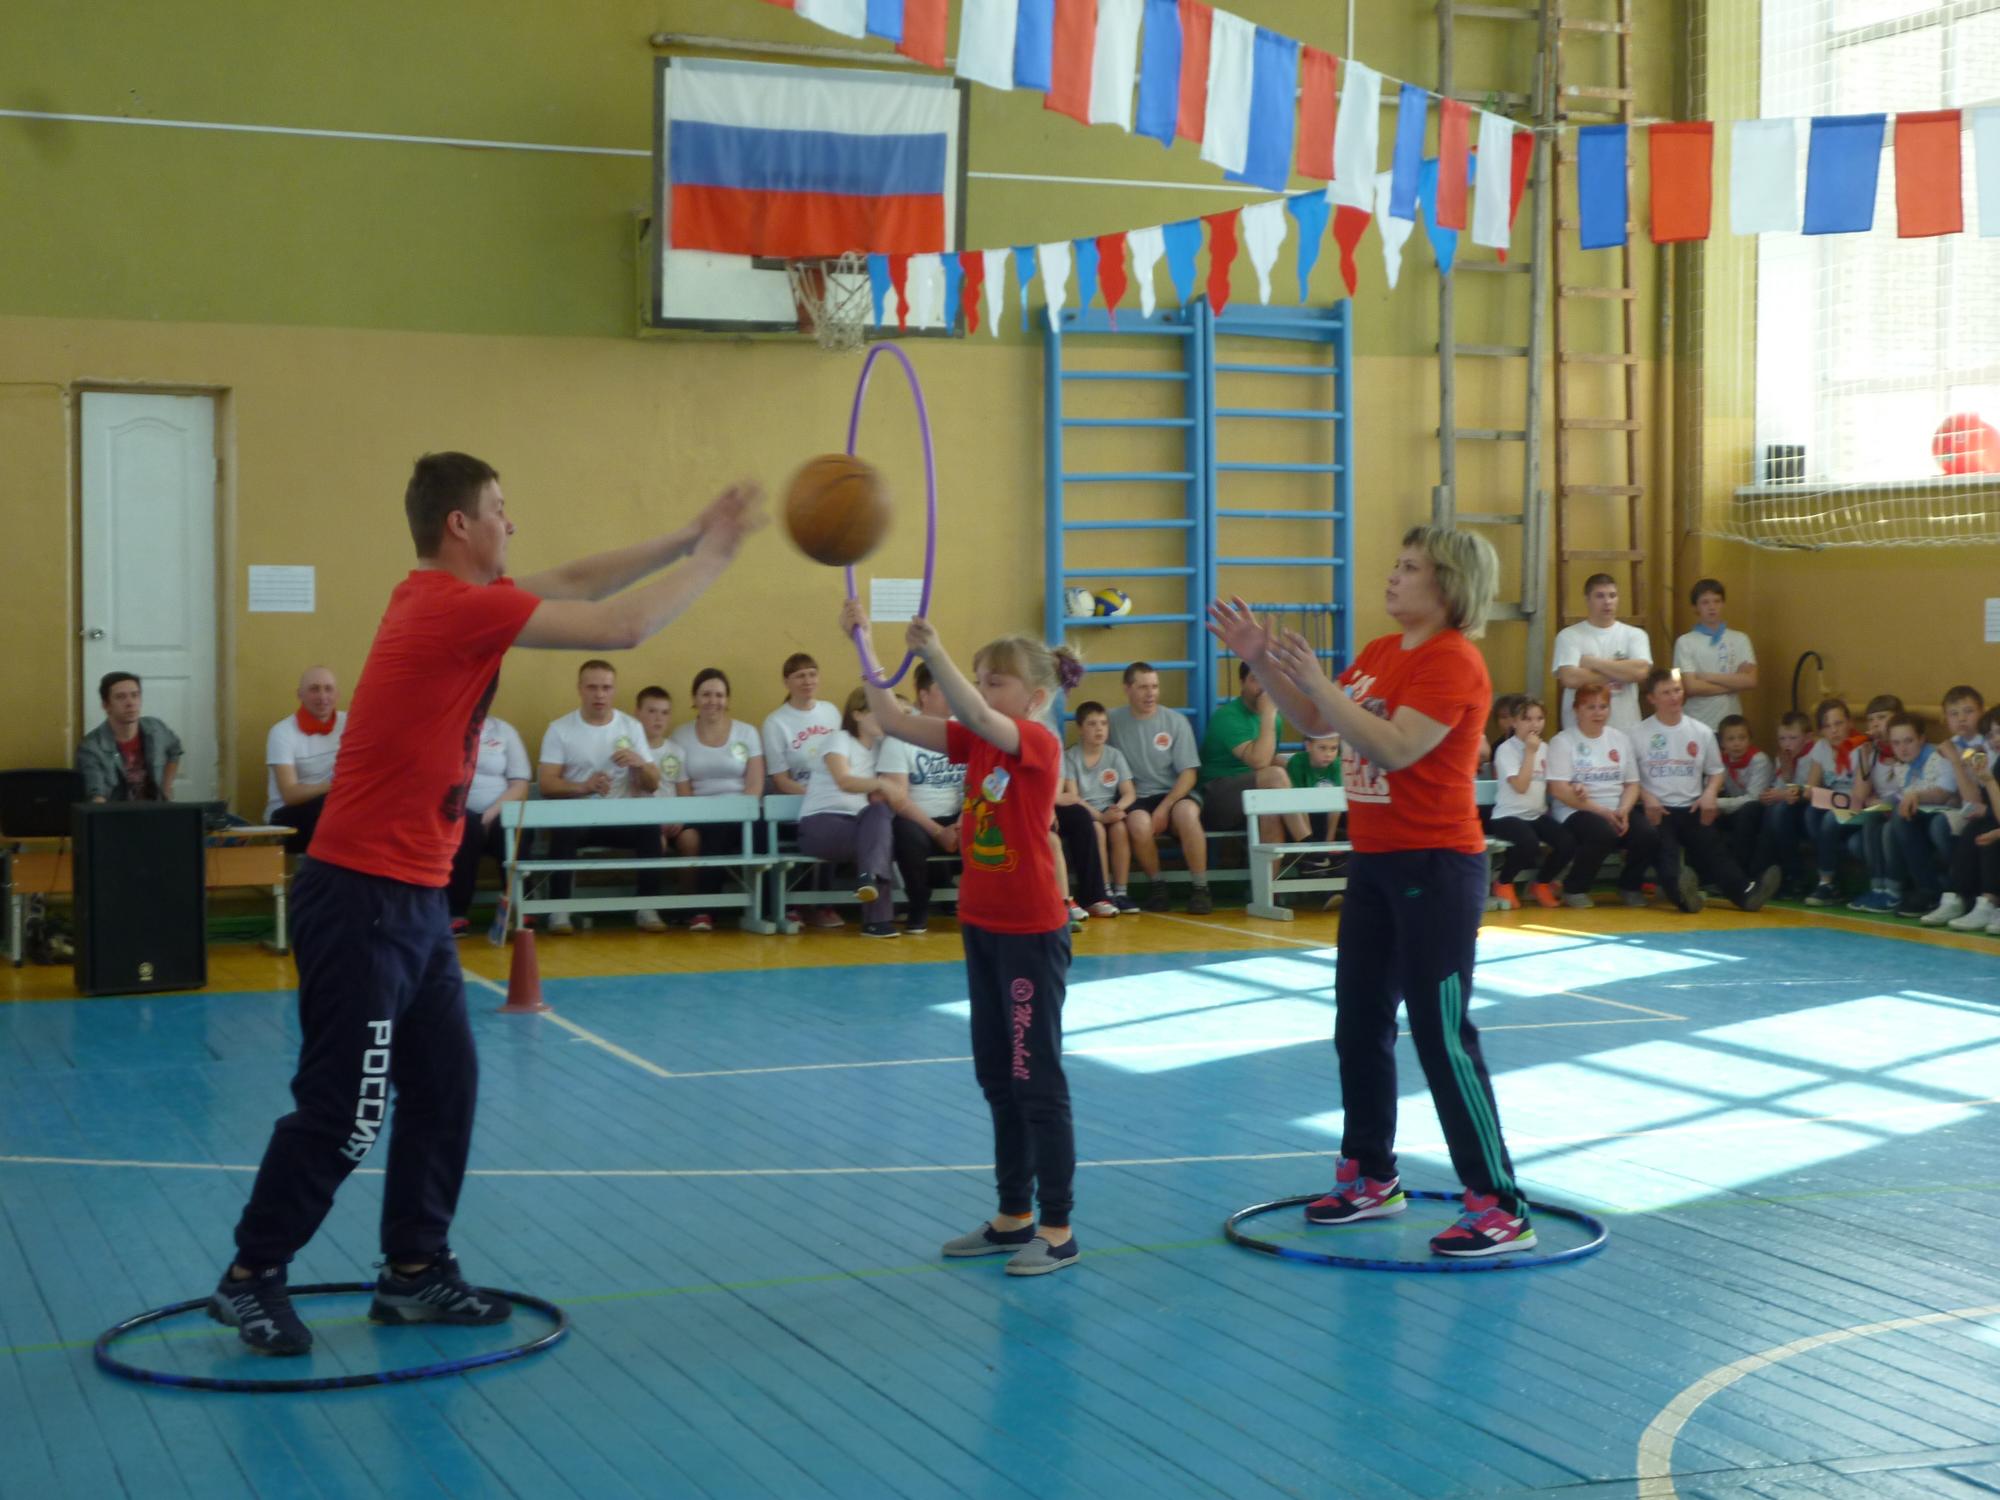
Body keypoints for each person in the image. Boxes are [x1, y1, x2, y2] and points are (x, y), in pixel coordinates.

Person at [213, 449, 761, 1355]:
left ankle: (414, 1268)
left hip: (415, 900)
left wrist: (687, 534)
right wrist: (719, 555)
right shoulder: (449, 606)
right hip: (361, 898)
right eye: (501, 508)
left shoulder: (458, 602)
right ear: (459, 525)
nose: (514, 522)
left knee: (445, 1087)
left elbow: (578, 580)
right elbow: (621, 624)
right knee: (346, 1109)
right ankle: (250, 1276)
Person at [1209, 525, 1537, 1258]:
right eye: (1396, 562)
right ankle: (1370, 1174)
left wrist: (1320, 682)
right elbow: (1316, 721)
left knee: (1441, 1034)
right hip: (1377, 863)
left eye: (1410, 566)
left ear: (1448, 584)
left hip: (1436, 868)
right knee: (1359, 1022)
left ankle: (1498, 1203)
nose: (1393, 575)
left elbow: (1394, 746)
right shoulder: (1382, 651)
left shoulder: (1454, 661)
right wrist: (1260, 659)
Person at [845, 597, 1084, 1276]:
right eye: (979, 679)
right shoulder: (976, 740)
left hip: (1030, 933)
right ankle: (1013, 1216)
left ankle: (1059, 1227)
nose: (981, 692)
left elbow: (976, 714)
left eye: (994, 681)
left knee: (1037, 1079)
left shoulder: (1037, 742)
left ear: (1035, 697)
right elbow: (893, 719)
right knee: (997, 1076)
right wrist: (864, 644)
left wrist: (934, 651)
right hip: (982, 926)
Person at [1632, 668, 1781, 914]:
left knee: (1714, 849)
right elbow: (1629, 778)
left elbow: (1716, 771)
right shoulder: (1637, 734)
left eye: (1677, 690)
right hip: (1658, 809)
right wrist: (1646, 798)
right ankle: (1683, 895)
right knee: (1666, 853)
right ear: (1651, 698)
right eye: (1666, 692)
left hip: (1691, 807)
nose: (1674, 697)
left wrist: (1710, 794)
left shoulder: (1701, 732)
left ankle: (1747, 894)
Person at [537, 660, 664, 933]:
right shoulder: (560, 729)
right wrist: (584, 787)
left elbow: (653, 784)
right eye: (592, 687)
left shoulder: (631, 727)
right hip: (578, 819)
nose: (599, 695)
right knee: (563, 832)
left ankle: (647, 906)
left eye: (606, 688)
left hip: (620, 818)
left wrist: (641, 764)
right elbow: (546, 783)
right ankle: (559, 910)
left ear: (614, 690)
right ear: (580, 689)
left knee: (650, 830)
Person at [791, 685, 898, 938]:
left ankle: (867, 878)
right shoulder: (839, 739)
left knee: (879, 816)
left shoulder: (881, 748)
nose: (883, 718)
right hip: (821, 824)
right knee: (878, 840)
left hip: (859, 825)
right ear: (857, 714)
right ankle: (877, 919)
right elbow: (844, 781)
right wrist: (882, 784)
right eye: (875, 711)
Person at [667, 668, 767, 933]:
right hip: (699, 813)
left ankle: (769, 908)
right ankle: (704, 910)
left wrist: (738, 810)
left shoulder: (747, 733)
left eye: (719, 695)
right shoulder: (680, 735)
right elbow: (683, 787)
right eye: (706, 694)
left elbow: (755, 785)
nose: (713, 701)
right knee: (713, 834)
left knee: (764, 835)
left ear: (727, 699)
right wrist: (705, 812)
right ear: (694, 698)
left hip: (743, 811)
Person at [1105, 663, 1209, 913]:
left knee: (1187, 814)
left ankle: (1201, 888)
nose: (1150, 693)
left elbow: (1189, 774)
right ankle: (1158, 886)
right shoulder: (1112, 722)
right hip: (1137, 796)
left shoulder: (1175, 721)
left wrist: (1165, 807)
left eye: (1155, 686)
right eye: (1143, 687)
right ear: (1127, 689)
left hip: (1174, 793)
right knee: (1137, 823)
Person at [1198, 662, 1312, 887]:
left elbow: (1269, 758)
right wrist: (1268, 713)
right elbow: (1259, 761)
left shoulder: (1274, 720)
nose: (1263, 687)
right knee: (1276, 777)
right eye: (1255, 679)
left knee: (1270, 807)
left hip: (1252, 792)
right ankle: (1308, 850)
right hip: (1216, 797)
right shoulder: (1227, 716)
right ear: (1242, 683)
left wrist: (1299, 767)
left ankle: (1266, 889)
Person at [1545, 683, 1659, 908]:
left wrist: (1624, 810)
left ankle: (1630, 886)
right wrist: (1602, 812)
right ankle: (1574, 888)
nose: (1598, 713)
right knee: (1602, 833)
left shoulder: (1620, 739)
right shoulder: (1563, 741)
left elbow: (1632, 784)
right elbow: (1558, 790)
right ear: (1577, 709)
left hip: (1615, 808)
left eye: (1603, 707)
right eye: (1591, 707)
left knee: (1648, 835)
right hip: (1576, 810)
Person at [876, 663, 965, 935]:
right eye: (942, 689)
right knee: (905, 833)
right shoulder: (901, 737)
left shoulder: (966, 730)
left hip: (960, 814)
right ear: (924, 695)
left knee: (986, 827)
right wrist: (938, 831)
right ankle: (918, 903)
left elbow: (979, 786)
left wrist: (962, 822)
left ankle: (982, 904)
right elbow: (898, 798)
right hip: (919, 819)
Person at [761, 652, 843, 928]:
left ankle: (825, 904)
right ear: (787, 682)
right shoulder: (776, 723)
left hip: (830, 800)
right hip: (796, 803)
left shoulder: (831, 713)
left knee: (839, 824)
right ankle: (797, 904)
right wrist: (814, 798)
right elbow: (780, 780)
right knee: (822, 826)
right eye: (799, 676)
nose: (807, 681)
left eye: (812, 674)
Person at [446, 713, 530, 931]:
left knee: (513, 828)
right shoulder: (444, 728)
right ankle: (456, 912)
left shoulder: (504, 731)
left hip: (498, 812)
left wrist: (491, 814)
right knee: (469, 828)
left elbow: (519, 784)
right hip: (455, 815)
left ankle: (519, 907)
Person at [1487, 697, 1572, 911]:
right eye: (1527, 719)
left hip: (1535, 814)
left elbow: (1553, 781)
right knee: (1529, 843)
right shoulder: (1506, 750)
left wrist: (1575, 786)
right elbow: (1521, 786)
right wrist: (1529, 753)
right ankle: (1503, 882)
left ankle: (1541, 883)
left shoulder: (1545, 748)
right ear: (1514, 722)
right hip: (1507, 816)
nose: (1534, 724)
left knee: (1567, 842)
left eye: (1539, 718)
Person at [1876, 714, 1960, 916]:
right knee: (1887, 821)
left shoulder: (1938, 757)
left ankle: (1930, 889)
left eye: (1908, 741)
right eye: (1896, 743)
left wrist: (1916, 796)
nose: (1903, 748)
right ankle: (1895, 888)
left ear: (1921, 739)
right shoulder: (1900, 766)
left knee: (1904, 819)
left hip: (1946, 814)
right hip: (1922, 815)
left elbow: (1945, 794)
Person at [1925, 708, 2000, 932]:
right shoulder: (1992, 760)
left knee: (1990, 832)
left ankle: (1990, 901)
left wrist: (1988, 782)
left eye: (1999, 732)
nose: (1995, 739)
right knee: (1975, 828)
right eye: (1991, 735)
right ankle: (1958, 897)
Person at [1551, 574, 1653, 735]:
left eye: (1612, 595)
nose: (1607, 602)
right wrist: (1621, 671)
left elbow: (1640, 672)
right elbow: (1570, 678)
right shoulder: (1569, 636)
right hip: (1580, 732)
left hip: (1625, 729)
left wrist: (1592, 663)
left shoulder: (1635, 635)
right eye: (1600, 596)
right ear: (1587, 599)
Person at [1061, 702, 1137, 911]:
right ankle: (1103, 891)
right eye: (1092, 724)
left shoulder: (1115, 755)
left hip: (1109, 810)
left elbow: (1129, 792)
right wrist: (1100, 817)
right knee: (1097, 831)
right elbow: (1074, 797)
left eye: (1103, 723)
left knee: (1120, 829)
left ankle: (1121, 891)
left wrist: (1118, 809)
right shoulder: (1070, 757)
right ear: (1080, 728)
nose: (1099, 729)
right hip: (1087, 812)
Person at [1801, 698, 1876, 907]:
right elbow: (1809, 789)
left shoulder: (1861, 747)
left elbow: (1859, 796)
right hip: (1834, 803)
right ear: (1821, 731)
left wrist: (1829, 799)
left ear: (1849, 723)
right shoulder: (1821, 747)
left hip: (1857, 808)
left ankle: (1826, 882)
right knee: (1810, 813)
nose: (1834, 731)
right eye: (1827, 726)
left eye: (1839, 723)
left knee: (1829, 819)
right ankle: (1832, 869)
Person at [264, 666, 346, 845]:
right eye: (314, 689)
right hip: (287, 816)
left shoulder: (350, 723)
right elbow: (290, 794)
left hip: (334, 806)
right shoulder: (282, 732)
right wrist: (336, 786)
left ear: (337, 694)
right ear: (300, 694)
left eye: (328, 689)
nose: (323, 697)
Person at [635, 685, 699, 910]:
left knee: (691, 839)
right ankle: (651, 904)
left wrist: (680, 818)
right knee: (656, 841)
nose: (658, 718)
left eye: (664, 712)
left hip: (673, 821)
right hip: (645, 821)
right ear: (638, 714)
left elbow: (684, 793)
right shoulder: (632, 751)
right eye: (652, 711)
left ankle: (686, 902)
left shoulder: (676, 751)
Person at [77, 672, 183, 803]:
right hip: (116, 812)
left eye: (135, 695)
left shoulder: (156, 728)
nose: (130, 703)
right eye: (120, 697)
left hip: (156, 809)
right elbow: (96, 794)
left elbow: (174, 750)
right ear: (106, 705)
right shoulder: (91, 747)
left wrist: (166, 789)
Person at [1671, 580, 1758, 733]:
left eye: (1717, 601)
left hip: (1731, 725)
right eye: (1705, 602)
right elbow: (1691, 687)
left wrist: (1706, 676)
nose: (1712, 607)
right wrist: (1734, 683)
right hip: (1697, 723)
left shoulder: (1740, 639)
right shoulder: (1685, 642)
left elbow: (1750, 681)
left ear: (1723, 604)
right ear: (1695, 607)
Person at [1755, 710, 1815, 897]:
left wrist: (1781, 793)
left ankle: (1795, 876)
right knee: (1768, 810)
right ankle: (1765, 874)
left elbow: (1808, 791)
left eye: (1793, 738)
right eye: (1782, 739)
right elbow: (1781, 786)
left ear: (1807, 737)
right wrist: (1772, 792)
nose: (1787, 744)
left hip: (1810, 807)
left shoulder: (1815, 755)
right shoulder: (1783, 757)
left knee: (1779, 811)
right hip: (1790, 805)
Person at [1714, 713, 1773, 877]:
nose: (1737, 743)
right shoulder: (1721, 761)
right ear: (1722, 743)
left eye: (1742, 738)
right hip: (1735, 807)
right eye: (1731, 739)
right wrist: (1712, 802)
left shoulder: (1759, 760)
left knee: (1748, 810)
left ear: (1750, 739)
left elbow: (1753, 798)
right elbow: (1710, 789)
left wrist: (1718, 803)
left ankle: (1740, 874)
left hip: (1760, 810)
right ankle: (1709, 875)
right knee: (1706, 814)